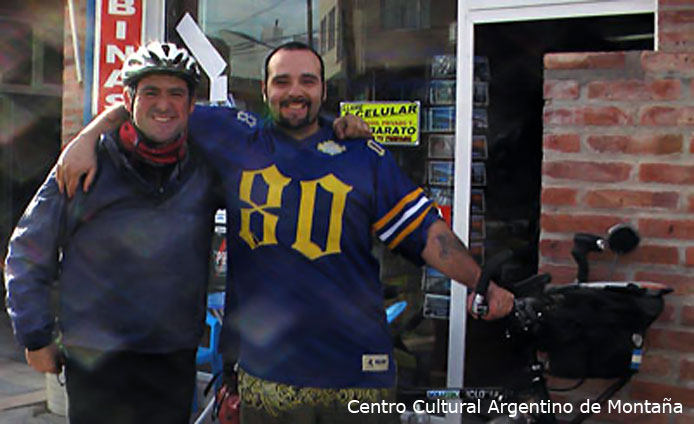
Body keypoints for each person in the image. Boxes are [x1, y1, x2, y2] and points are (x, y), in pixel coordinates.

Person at [57, 42, 514, 424]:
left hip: (359, 378)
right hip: (267, 380)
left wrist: (482, 283)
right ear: (263, 91)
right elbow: (154, 106)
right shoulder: (234, 136)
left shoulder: (363, 155)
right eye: (282, 81)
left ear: (323, 90)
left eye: (307, 81)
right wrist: (87, 138)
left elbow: (427, 234)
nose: (294, 92)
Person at [4, 42, 221, 423]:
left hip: (172, 355)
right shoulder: (84, 166)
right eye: (150, 92)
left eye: (176, 93)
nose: (164, 104)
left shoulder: (205, 171)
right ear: (128, 99)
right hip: (96, 356)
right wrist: (35, 335)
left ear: (191, 105)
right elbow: (27, 250)